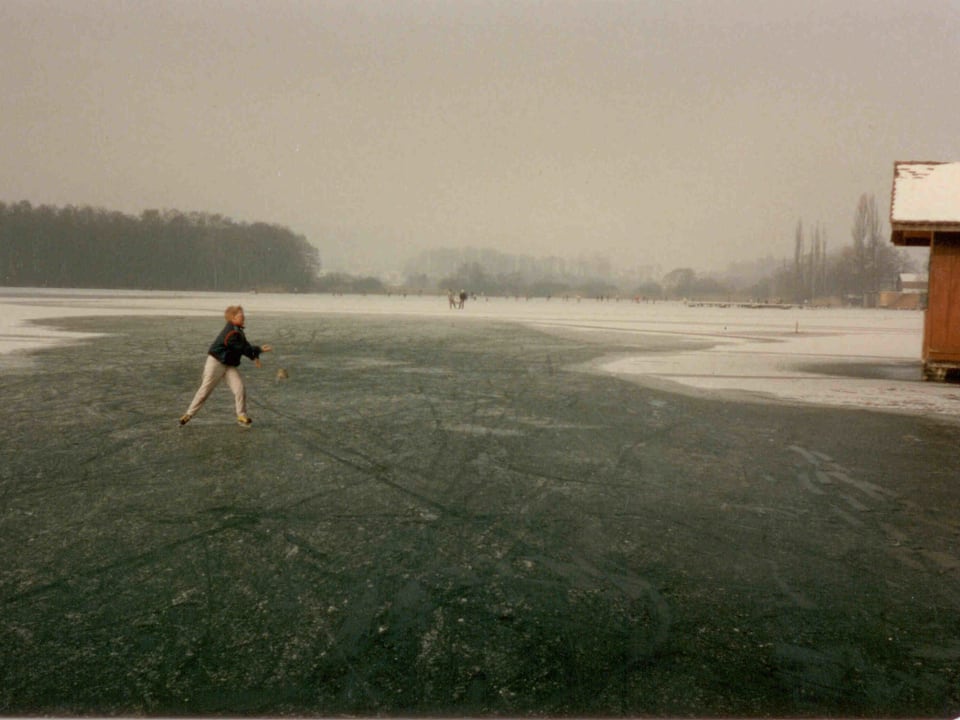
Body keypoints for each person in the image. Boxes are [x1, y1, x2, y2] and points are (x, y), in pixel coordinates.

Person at [179, 305, 272, 426]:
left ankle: (241, 416)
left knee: (239, 388)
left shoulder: (238, 330)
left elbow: (245, 345)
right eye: (240, 314)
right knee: (205, 390)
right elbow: (241, 348)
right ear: (233, 318)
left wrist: (255, 354)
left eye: (243, 314)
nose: (243, 316)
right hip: (216, 362)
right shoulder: (231, 332)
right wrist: (257, 350)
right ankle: (188, 414)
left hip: (228, 364)